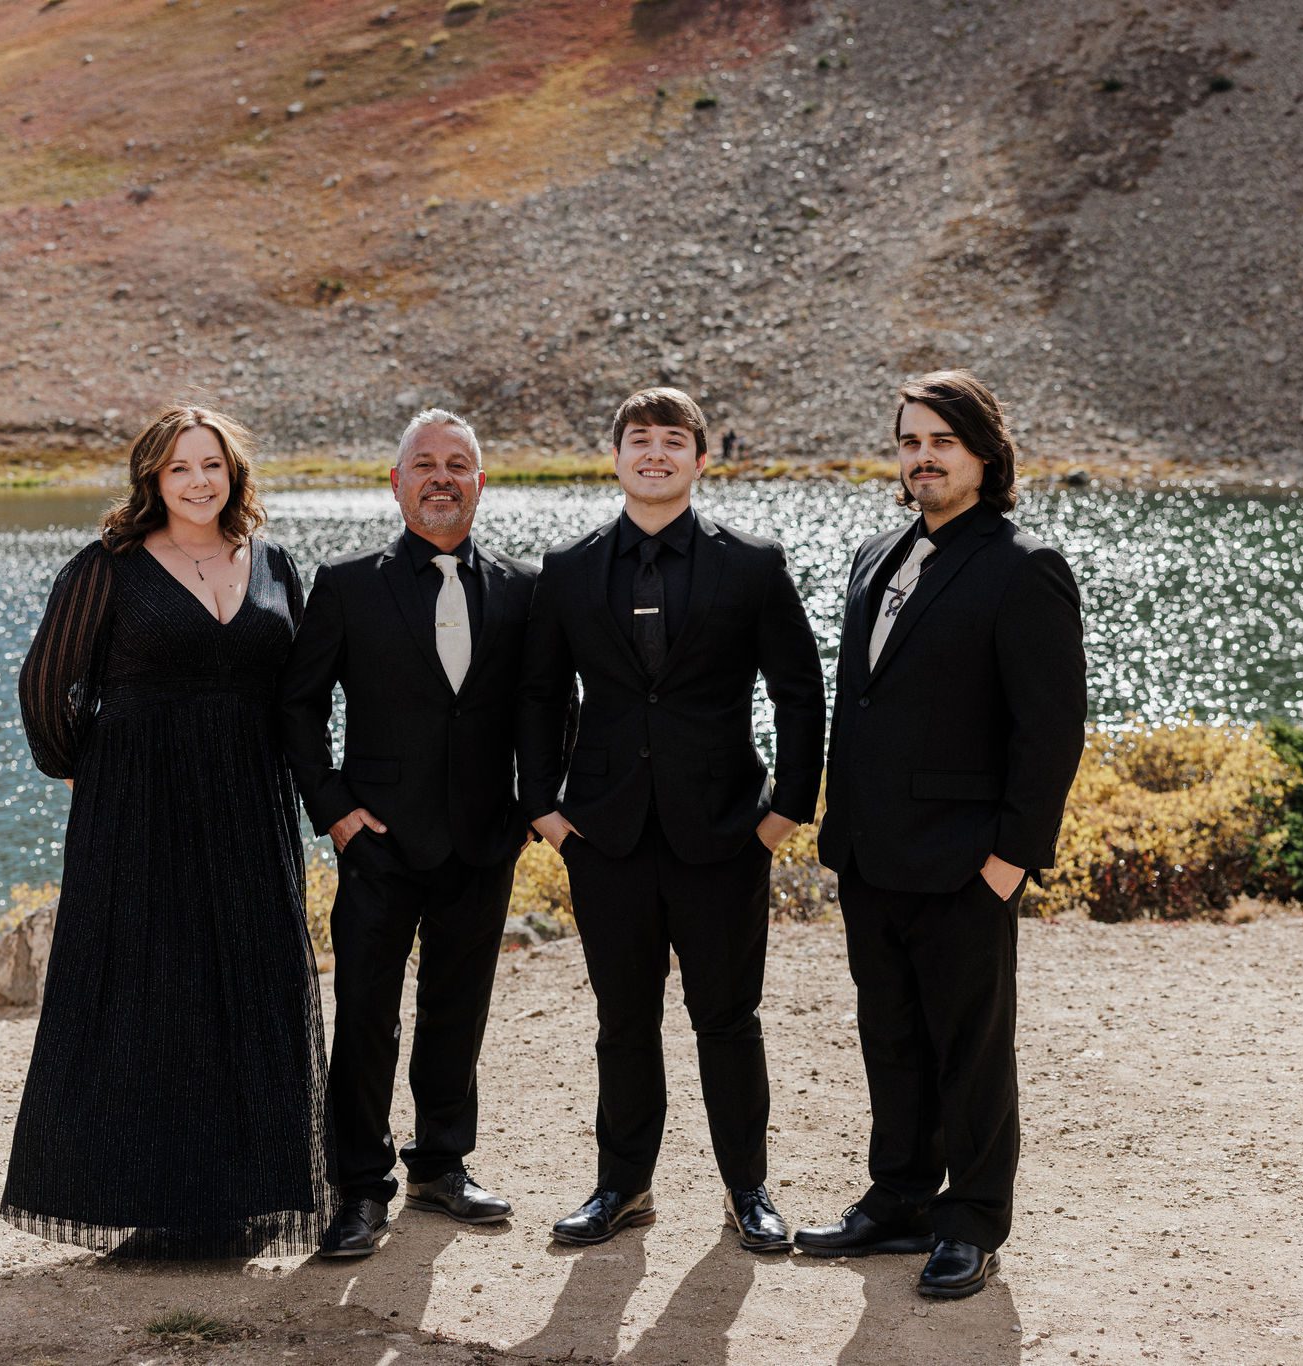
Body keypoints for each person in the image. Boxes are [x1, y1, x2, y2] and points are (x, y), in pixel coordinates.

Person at [2, 405, 335, 1258]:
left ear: (234, 473)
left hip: (250, 809)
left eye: (212, 465)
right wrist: (90, 769)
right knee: (153, 993)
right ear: (153, 478)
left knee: (250, 982)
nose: (198, 481)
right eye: (180, 467)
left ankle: (251, 1192)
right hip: (138, 812)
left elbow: (298, 693)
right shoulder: (107, 567)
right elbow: (46, 685)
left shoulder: (275, 563)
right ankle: (151, 1203)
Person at [796, 371, 1085, 1299]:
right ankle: (900, 1199)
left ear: (985, 454)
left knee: (971, 1047)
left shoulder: (1022, 564)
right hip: (872, 852)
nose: (923, 457)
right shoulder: (877, 552)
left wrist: (1010, 860)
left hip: (967, 863)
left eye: (942, 443)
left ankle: (972, 1220)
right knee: (889, 1034)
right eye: (911, 441)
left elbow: (1051, 730)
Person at [519, 386, 826, 1252]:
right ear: (614, 456)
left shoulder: (752, 564)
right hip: (605, 837)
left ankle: (748, 1191)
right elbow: (540, 695)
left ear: (700, 458)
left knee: (728, 1020)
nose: (655, 454)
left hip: (725, 835)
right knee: (623, 1022)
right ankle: (623, 1187)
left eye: (673, 441)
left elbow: (800, 694)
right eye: (638, 440)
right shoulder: (569, 567)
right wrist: (544, 807)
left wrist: (785, 812)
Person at [279, 408, 542, 1259]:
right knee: (365, 1014)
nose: (440, 476)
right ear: (395, 483)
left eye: (456, 464)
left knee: (457, 1011)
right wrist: (336, 811)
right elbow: (299, 705)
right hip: (378, 842)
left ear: (479, 483)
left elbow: (549, 708)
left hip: (483, 838)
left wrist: (532, 806)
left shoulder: (523, 587)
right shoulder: (348, 583)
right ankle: (359, 1186)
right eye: (423, 463)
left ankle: (442, 1166)